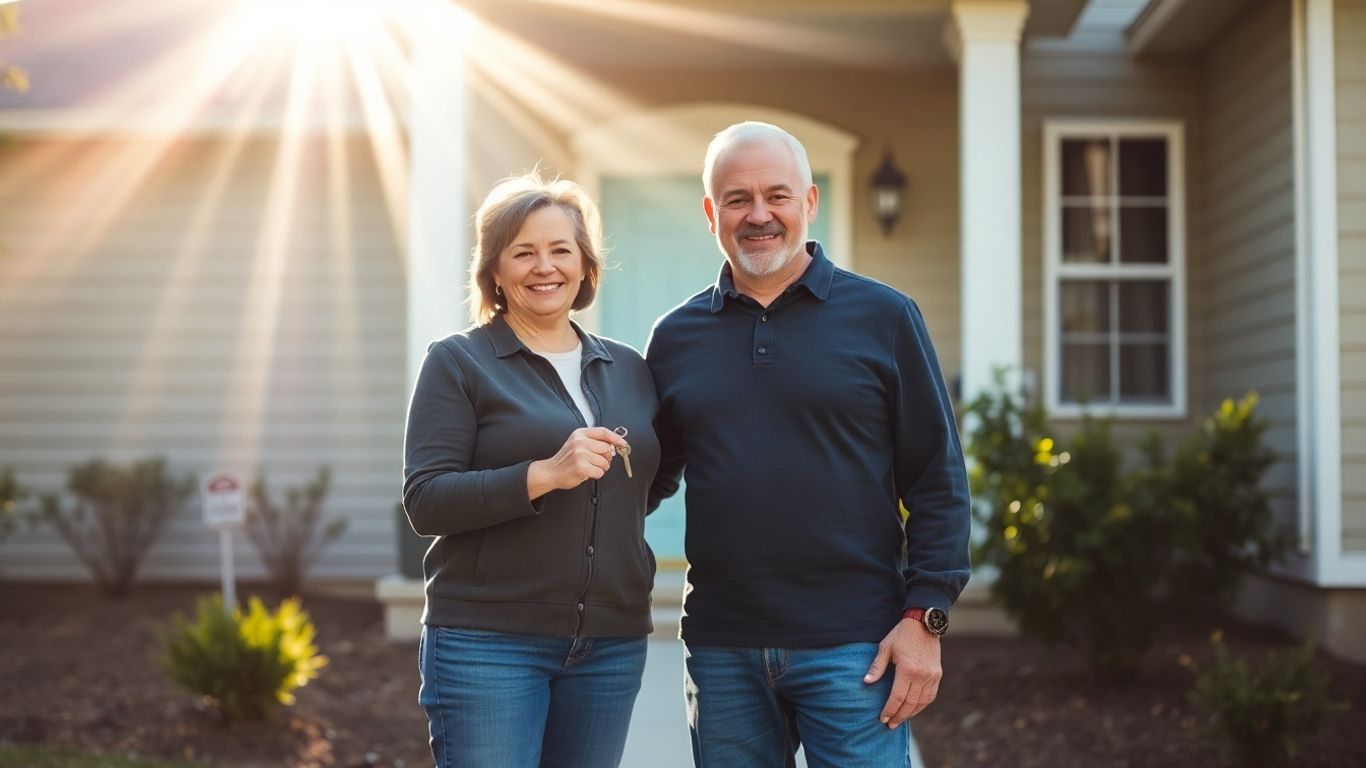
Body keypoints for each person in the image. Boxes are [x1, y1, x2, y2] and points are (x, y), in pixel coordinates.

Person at [646, 121, 971, 768]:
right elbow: (645, 481)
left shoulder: (885, 318)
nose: (758, 214)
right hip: (723, 647)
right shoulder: (676, 338)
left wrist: (926, 617)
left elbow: (936, 477)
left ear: (810, 202)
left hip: (857, 644)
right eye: (737, 199)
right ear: (712, 213)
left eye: (778, 195)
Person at [403, 172, 660, 768]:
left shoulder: (629, 368)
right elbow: (426, 500)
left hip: (611, 643)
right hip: (487, 643)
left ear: (585, 265)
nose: (544, 267)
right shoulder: (459, 362)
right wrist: (543, 474)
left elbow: (649, 480)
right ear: (495, 271)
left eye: (560, 249)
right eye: (523, 252)